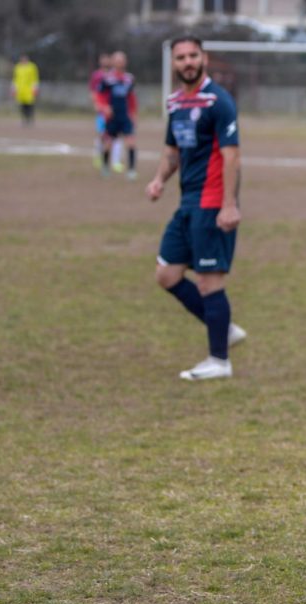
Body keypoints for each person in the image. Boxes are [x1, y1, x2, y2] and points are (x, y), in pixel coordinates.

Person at [145, 36, 246, 381]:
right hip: (187, 202)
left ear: (203, 57)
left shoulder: (219, 101)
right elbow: (172, 151)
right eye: (181, 57)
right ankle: (223, 328)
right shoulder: (175, 103)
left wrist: (229, 205)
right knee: (166, 274)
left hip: (212, 201)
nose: (187, 62)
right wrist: (159, 179)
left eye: (193, 55)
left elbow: (232, 157)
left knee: (208, 280)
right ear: (173, 63)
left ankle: (219, 360)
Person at [97, 51, 137, 179]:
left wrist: (133, 113)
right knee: (108, 142)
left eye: (122, 60)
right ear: (113, 62)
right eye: (117, 60)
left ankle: (131, 170)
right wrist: (105, 108)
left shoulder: (129, 78)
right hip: (112, 116)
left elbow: (131, 97)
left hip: (125, 116)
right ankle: (105, 167)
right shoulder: (107, 78)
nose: (120, 63)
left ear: (125, 62)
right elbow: (100, 95)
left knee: (131, 142)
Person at [89, 53, 123, 171]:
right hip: (103, 110)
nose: (105, 62)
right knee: (102, 135)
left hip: (115, 111)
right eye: (103, 59)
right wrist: (97, 105)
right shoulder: (97, 75)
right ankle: (98, 156)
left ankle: (116, 161)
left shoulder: (114, 76)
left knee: (116, 136)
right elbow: (94, 92)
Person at [11, 54, 39, 127]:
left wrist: (35, 87)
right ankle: (24, 120)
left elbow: (35, 78)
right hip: (21, 90)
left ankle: (30, 119)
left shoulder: (32, 67)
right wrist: (14, 88)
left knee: (30, 105)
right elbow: (15, 78)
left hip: (29, 89)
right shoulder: (17, 67)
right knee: (22, 105)